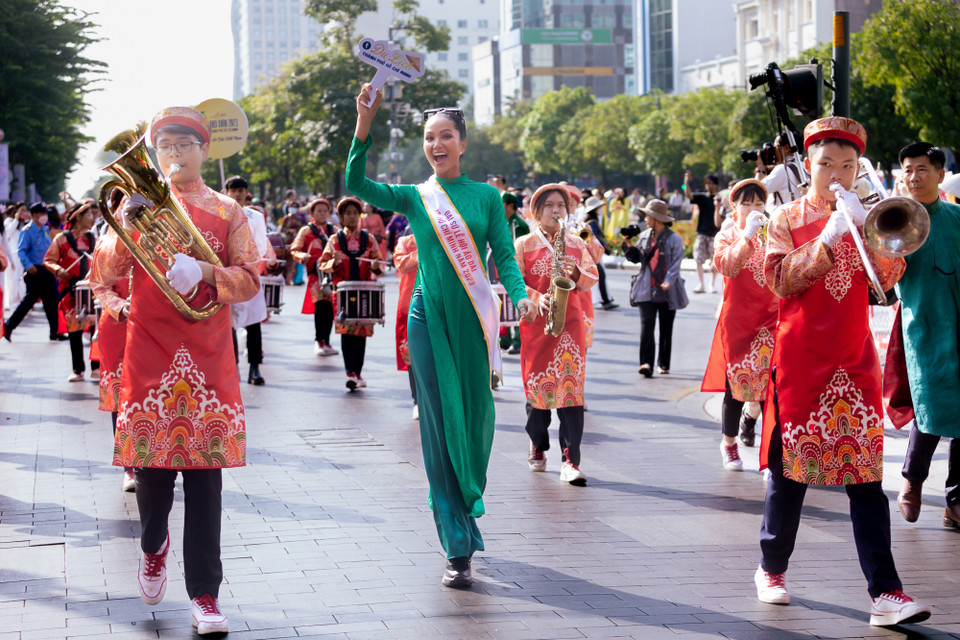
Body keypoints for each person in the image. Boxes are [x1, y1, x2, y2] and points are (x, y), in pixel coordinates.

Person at [347, 88, 536, 588]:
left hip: (472, 321)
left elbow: (504, 256)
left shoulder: (488, 198)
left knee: (473, 417)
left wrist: (519, 295)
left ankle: (465, 497)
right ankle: (455, 542)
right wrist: (365, 121)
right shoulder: (414, 195)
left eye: (446, 136)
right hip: (426, 319)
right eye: (429, 137)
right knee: (437, 422)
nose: (437, 144)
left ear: (463, 143)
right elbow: (354, 181)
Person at [89, 106, 260, 635]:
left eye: (185, 144)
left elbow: (251, 278)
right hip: (149, 353)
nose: (174, 153)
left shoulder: (230, 212)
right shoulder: (135, 210)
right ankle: (151, 543)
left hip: (208, 358)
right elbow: (102, 277)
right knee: (152, 477)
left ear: (205, 150)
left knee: (206, 485)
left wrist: (206, 270)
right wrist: (127, 227)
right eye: (165, 145)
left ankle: (205, 595)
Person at [756, 116, 930, 627]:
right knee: (791, 474)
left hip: (854, 362)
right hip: (801, 359)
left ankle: (886, 593)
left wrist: (867, 229)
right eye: (827, 163)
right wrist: (829, 236)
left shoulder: (869, 214)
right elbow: (780, 281)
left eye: (848, 165)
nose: (837, 173)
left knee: (865, 480)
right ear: (807, 164)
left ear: (859, 169)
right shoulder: (785, 217)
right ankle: (771, 568)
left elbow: (888, 280)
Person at [889, 143, 960, 528]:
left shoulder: (957, 216)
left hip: (959, 321)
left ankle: (955, 500)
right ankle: (911, 482)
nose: (914, 177)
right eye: (908, 170)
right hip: (924, 326)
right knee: (930, 405)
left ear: (940, 175)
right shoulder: (896, 218)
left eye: (922, 169)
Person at [515, 184, 598, 485]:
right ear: (536, 212)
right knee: (538, 398)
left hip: (571, 330)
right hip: (537, 328)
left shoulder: (576, 243)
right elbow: (512, 280)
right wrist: (537, 299)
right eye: (549, 205)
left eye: (561, 206)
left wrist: (575, 273)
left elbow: (592, 278)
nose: (555, 211)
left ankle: (571, 461)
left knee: (572, 396)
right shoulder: (523, 244)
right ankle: (537, 443)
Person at [700, 179, 777, 471]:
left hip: (772, 320)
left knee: (771, 388)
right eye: (747, 203)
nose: (754, 209)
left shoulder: (775, 234)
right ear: (734, 206)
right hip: (739, 321)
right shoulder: (727, 235)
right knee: (737, 388)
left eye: (759, 203)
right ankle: (729, 443)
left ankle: (770, 456)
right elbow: (727, 266)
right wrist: (746, 237)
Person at [88, 222, 135, 492]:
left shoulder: (160, 237)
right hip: (118, 326)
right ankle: (129, 467)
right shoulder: (106, 242)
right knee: (121, 396)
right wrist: (121, 305)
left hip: (156, 327)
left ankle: (156, 461)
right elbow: (98, 285)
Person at [318, 196, 384, 390]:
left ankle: (358, 371)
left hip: (364, 292)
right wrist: (334, 262)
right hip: (343, 292)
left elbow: (379, 263)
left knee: (361, 332)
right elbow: (323, 264)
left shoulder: (368, 238)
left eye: (355, 213)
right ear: (341, 216)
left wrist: (375, 265)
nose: (352, 217)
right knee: (347, 332)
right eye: (348, 213)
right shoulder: (334, 240)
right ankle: (350, 373)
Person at [624, 200, 685, 377]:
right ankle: (646, 363)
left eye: (648, 215)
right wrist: (628, 244)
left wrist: (669, 280)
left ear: (657, 218)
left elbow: (676, 262)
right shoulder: (644, 236)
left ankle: (663, 363)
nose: (645, 218)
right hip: (646, 288)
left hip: (667, 290)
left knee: (666, 327)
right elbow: (636, 259)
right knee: (646, 326)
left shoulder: (674, 239)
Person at [43, 201, 98, 381]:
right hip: (71, 290)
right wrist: (58, 270)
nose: (93, 218)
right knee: (74, 329)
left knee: (95, 328)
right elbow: (49, 259)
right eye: (89, 215)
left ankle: (96, 366)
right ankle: (78, 369)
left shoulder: (93, 238)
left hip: (91, 288)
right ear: (79, 217)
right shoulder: (62, 238)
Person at [224, 175, 270, 385]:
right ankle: (232, 367)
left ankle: (254, 367)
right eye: (234, 190)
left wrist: (247, 261)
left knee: (253, 322)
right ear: (227, 192)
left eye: (242, 190)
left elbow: (261, 244)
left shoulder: (256, 216)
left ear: (247, 192)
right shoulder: (220, 213)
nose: (238, 193)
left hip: (248, 273)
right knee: (229, 323)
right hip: (226, 274)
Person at [4, 203, 64, 341]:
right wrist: (28, 265)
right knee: (28, 302)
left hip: (47, 269)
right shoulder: (27, 230)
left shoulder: (44, 229)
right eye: (43, 213)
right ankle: (8, 326)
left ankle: (55, 331)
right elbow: (22, 251)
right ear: (36, 215)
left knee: (51, 302)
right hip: (35, 271)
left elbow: (48, 249)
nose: (45, 216)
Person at [291, 198, 339, 356]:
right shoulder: (306, 231)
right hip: (315, 275)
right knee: (321, 306)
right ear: (312, 213)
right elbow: (295, 248)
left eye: (325, 210)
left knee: (331, 308)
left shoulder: (335, 230)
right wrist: (302, 255)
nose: (322, 213)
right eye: (319, 210)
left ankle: (327, 341)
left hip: (333, 274)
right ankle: (319, 342)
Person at [499, 191, 530, 354]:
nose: (500, 207)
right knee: (502, 303)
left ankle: (518, 340)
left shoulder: (519, 224)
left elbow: (519, 250)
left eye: (502, 204)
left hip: (515, 269)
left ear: (510, 205)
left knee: (517, 304)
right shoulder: (503, 221)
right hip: (501, 267)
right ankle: (505, 339)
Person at [393, 228, 419, 418]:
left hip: (439, 303)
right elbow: (401, 264)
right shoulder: (405, 242)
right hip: (409, 304)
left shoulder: (443, 236)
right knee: (412, 355)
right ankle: (417, 400)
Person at [683, 172, 722, 293]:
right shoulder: (702, 197)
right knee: (698, 259)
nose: (708, 186)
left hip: (715, 234)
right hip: (702, 232)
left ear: (715, 185)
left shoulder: (719, 199)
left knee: (714, 261)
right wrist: (686, 182)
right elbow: (689, 195)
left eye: (711, 183)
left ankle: (712, 284)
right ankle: (701, 284)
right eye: (707, 183)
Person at [582, 196, 617, 311]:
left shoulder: (588, 221)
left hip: (590, 253)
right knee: (601, 275)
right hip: (592, 254)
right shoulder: (592, 223)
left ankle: (605, 300)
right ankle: (605, 301)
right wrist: (603, 245)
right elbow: (591, 238)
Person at [754, 133, 806, 209]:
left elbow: (756, 192)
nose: (774, 151)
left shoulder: (783, 169)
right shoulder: (807, 165)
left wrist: (760, 168)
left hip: (785, 218)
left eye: (776, 147)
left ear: (786, 148)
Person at [3, 202, 28, 312]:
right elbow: (7, 233)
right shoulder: (9, 222)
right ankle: (11, 302)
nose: (23, 213)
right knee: (11, 280)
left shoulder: (23, 224)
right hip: (12, 255)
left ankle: (20, 301)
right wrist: (16, 220)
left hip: (21, 255)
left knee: (20, 279)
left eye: (25, 210)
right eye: (21, 210)